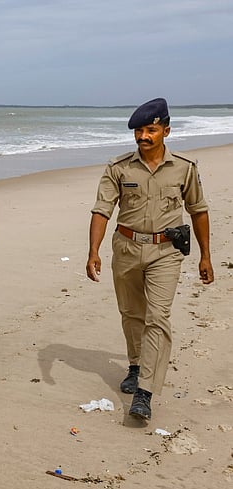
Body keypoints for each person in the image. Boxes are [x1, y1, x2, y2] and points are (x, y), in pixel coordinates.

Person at [87, 98, 214, 421]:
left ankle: (145, 391)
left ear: (166, 131)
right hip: (126, 248)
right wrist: (93, 252)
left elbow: (198, 210)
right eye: (139, 131)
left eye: (151, 130)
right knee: (131, 313)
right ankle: (135, 365)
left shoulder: (185, 168)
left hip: (165, 252)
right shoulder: (119, 167)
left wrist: (205, 256)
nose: (143, 137)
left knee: (157, 318)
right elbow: (102, 210)